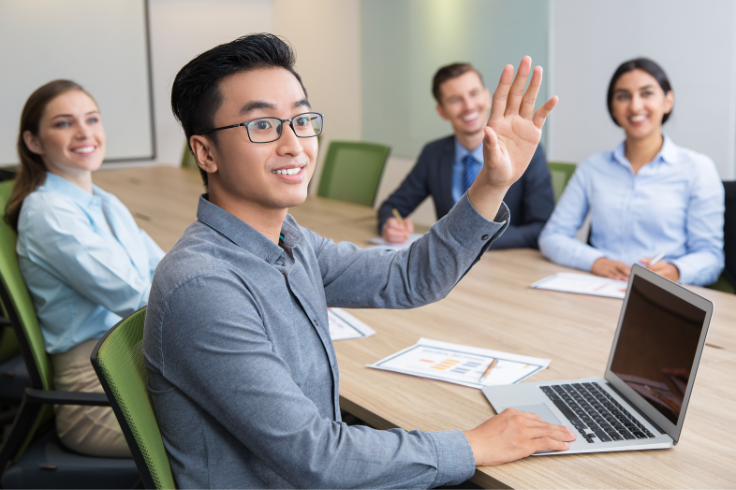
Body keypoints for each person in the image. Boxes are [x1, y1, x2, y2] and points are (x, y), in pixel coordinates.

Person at [143, 33, 575, 489]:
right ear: (205, 152)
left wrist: (491, 182)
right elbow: (320, 459)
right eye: (263, 126)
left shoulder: (290, 241)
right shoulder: (205, 286)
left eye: (301, 120)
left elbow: (410, 278)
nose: (294, 145)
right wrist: (473, 445)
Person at [5, 80, 165, 457]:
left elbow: (165, 270)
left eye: (91, 119)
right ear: (34, 142)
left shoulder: (104, 201)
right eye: (63, 124)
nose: (84, 132)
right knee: (236, 437)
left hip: (135, 366)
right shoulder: (48, 213)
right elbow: (136, 298)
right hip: (98, 396)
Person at [538, 58, 724, 286]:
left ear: (668, 101)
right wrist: (597, 261)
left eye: (646, 94)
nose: (635, 106)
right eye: (623, 96)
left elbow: (711, 256)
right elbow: (552, 237)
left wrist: (676, 270)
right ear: (613, 109)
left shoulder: (698, 169)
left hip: (665, 294)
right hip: (600, 288)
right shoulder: (593, 168)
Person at [377, 62, 555, 248]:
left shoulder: (526, 153)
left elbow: (542, 228)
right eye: (455, 99)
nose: (469, 106)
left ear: (487, 97)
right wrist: (389, 224)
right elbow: (392, 207)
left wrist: (474, 239)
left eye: (474, 93)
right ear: (441, 111)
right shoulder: (433, 154)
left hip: (504, 263)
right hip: (448, 269)